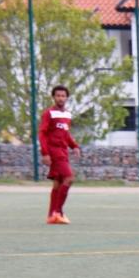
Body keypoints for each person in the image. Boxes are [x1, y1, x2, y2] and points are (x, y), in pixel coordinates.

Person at [39, 85, 80, 225]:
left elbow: (66, 134)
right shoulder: (48, 113)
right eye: (58, 96)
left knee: (58, 183)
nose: (61, 98)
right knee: (69, 178)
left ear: (67, 98)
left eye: (63, 96)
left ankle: (52, 215)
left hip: (63, 151)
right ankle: (58, 212)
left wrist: (74, 146)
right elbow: (42, 133)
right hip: (54, 151)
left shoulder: (67, 114)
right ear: (54, 97)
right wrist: (45, 152)